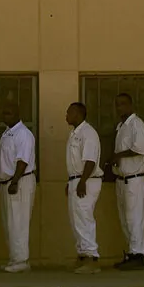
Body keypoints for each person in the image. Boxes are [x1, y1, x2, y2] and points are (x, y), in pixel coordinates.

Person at [108, 93, 144, 271]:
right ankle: (130, 253)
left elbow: (139, 148)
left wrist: (118, 155)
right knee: (125, 219)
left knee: (134, 218)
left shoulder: (136, 124)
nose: (120, 108)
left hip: (135, 179)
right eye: (117, 105)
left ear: (131, 105)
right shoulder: (121, 126)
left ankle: (138, 255)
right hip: (121, 179)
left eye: (123, 104)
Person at [0, 102, 36, 273]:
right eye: (4, 113)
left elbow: (22, 160)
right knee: (9, 223)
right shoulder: (7, 133)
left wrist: (14, 181)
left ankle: (22, 260)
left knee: (18, 221)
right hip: (8, 182)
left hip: (19, 181)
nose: (6, 116)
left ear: (18, 114)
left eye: (9, 113)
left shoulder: (23, 134)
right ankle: (14, 258)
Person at [65, 102, 101, 274]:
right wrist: (71, 181)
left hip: (86, 180)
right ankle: (81, 256)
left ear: (78, 114)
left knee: (84, 218)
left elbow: (90, 160)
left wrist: (82, 181)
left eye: (69, 112)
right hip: (76, 180)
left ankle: (91, 257)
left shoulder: (88, 133)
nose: (66, 115)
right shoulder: (74, 133)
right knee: (76, 220)